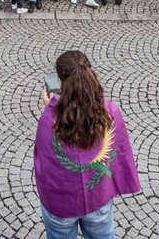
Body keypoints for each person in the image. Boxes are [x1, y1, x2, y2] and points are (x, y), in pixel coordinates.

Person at [34, 51, 140, 238]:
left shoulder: (49, 119)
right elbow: (119, 151)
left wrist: (51, 109)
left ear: (60, 82)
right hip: (97, 197)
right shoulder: (109, 112)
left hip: (61, 203)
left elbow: (44, 162)